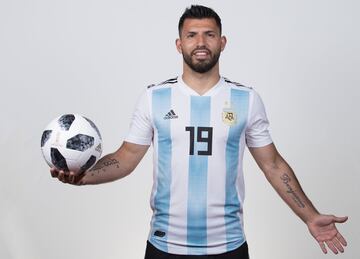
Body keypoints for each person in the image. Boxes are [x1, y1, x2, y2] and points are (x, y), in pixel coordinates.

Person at [50, 5, 348, 259]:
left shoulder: (246, 100)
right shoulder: (154, 98)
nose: (201, 41)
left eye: (209, 34)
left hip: (228, 246)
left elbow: (272, 165)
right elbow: (126, 158)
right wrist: (83, 176)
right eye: (191, 35)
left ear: (223, 42)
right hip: (164, 245)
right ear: (179, 44)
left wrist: (310, 216)